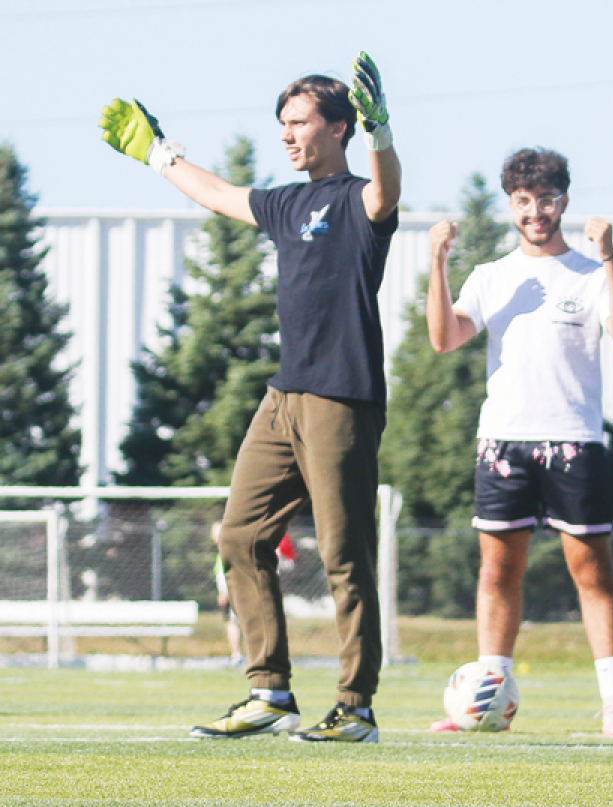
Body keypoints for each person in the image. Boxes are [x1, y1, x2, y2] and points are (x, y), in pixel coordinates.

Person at [99, 52, 401, 743]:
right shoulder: (284, 202)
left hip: (340, 400)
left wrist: (384, 134)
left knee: (342, 555)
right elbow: (217, 193)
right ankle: (269, 691)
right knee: (239, 535)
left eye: (299, 123)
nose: (287, 135)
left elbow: (387, 192)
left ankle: (356, 708)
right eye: (282, 124)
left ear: (338, 128)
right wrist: (159, 154)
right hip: (283, 396)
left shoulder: (358, 199)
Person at [424, 148, 613, 735]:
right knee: (497, 572)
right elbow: (445, 339)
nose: (536, 211)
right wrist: (437, 263)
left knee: (592, 572)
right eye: (524, 201)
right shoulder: (491, 276)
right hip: (504, 443)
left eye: (546, 199)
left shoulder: (592, 272)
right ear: (511, 205)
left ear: (563, 201)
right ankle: (487, 699)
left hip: (573, 442)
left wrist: (611, 255)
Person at [211, 523, 243, 666]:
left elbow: (229, 573)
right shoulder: (222, 552)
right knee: (232, 623)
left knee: (233, 623)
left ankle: (237, 655)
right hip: (231, 592)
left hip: (232, 593)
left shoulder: (228, 551)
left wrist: (224, 592)